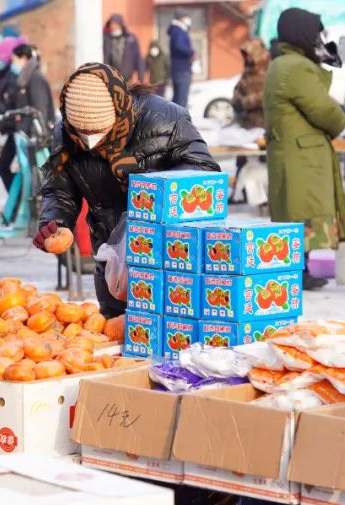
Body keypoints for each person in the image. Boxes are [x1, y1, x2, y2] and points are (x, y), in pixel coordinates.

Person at [33, 63, 219, 318]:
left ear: (118, 112)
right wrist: (54, 223)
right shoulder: (65, 134)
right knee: (116, 333)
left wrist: (145, 182)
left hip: (170, 262)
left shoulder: (167, 119)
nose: (90, 140)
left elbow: (205, 176)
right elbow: (59, 190)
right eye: (82, 133)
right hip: (112, 263)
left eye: (99, 132)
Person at [264, 8, 345, 291]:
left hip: (294, 153)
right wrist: (341, 121)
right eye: (316, 34)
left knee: (295, 212)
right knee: (302, 213)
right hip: (302, 156)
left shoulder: (284, 63)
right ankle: (299, 271)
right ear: (302, 34)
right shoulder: (295, 68)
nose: (319, 40)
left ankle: (299, 268)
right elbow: (327, 112)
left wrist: (324, 58)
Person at [0, 44, 54, 192]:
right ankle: (18, 200)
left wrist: (36, 134)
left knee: (31, 173)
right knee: (5, 166)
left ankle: (24, 201)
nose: (12, 63)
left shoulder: (35, 78)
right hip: (20, 132)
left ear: (23, 58)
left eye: (14, 59)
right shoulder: (23, 78)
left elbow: (39, 110)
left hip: (31, 134)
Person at [233, 38, 270, 130]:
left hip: (265, 124)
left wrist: (247, 101)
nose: (247, 59)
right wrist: (238, 100)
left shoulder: (270, 71)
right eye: (246, 56)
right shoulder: (248, 73)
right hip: (248, 124)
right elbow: (238, 89)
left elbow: (270, 95)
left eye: (250, 55)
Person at [103, 15, 144, 83]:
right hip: (110, 78)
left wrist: (140, 76)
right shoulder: (106, 39)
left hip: (126, 78)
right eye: (111, 24)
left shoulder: (130, 39)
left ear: (120, 24)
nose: (113, 26)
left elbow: (138, 57)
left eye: (115, 24)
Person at [168, 11, 195, 109]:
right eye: (186, 17)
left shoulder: (176, 30)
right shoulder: (179, 30)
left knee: (177, 99)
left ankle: (173, 122)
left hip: (178, 68)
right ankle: (179, 123)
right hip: (182, 68)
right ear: (181, 18)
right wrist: (191, 52)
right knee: (181, 101)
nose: (188, 20)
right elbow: (179, 45)